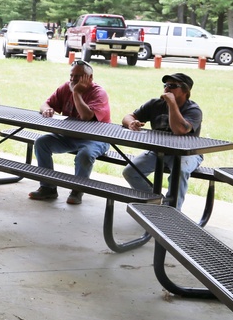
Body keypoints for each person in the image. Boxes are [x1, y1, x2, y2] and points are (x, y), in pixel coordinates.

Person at [28, 59, 111, 204]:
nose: (73, 79)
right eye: (71, 76)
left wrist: (77, 93)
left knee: (85, 155)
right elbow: (45, 103)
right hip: (69, 135)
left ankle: (77, 190)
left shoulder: (99, 93)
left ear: (89, 78)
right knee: (42, 143)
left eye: (78, 76)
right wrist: (46, 109)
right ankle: (48, 188)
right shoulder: (66, 87)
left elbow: (86, 116)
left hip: (96, 138)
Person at [121, 73, 203, 210]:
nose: (167, 89)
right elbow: (128, 116)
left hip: (186, 153)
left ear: (185, 91)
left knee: (179, 171)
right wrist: (131, 123)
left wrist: (172, 104)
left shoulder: (193, 110)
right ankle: (156, 202)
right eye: (165, 85)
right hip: (158, 151)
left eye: (172, 86)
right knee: (131, 172)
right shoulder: (155, 104)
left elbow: (179, 130)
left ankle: (172, 211)